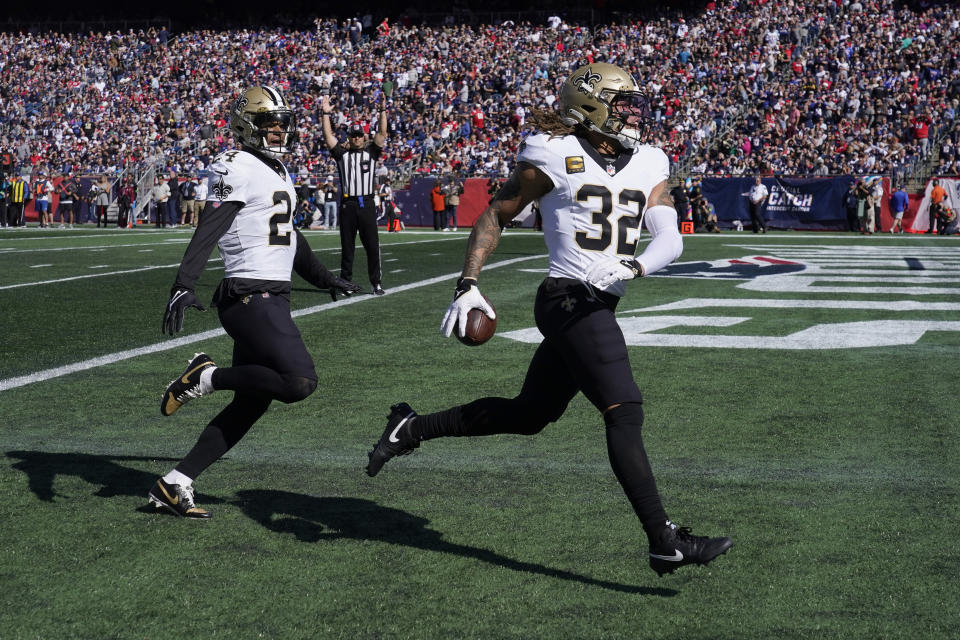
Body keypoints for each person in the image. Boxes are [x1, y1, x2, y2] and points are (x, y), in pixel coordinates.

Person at [364, 63, 732, 577]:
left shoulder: (649, 160)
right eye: (620, 103)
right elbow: (495, 214)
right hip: (566, 297)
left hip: (598, 302)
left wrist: (638, 263)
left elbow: (670, 235)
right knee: (624, 412)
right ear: (590, 105)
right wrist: (468, 282)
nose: (633, 113)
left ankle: (412, 427)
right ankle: (663, 539)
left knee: (530, 414)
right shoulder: (551, 152)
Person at [150, 85, 361, 519]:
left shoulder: (277, 168)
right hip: (248, 296)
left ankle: (175, 483)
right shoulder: (236, 164)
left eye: (282, 122)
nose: (278, 130)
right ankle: (205, 377)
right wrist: (183, 283)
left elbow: (289, 238)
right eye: (269, 122)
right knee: (299, 381)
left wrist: (325, 280)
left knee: (253, 400)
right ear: (248, 125)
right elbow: (211, 225)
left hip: (270, 297)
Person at [321, 95, 389, 296]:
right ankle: (346, 284)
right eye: (354, 136)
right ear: (349, 138)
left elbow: (383, 133)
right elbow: (328, 137)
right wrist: (325, 113)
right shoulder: (342, 155)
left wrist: (383, 110)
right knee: (347, 247)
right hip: (348, 205)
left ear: (364, 137)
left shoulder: (371, 153)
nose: (357, 138)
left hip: (366, 203)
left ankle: (375, 283)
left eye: (360, 135)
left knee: (372, 246)